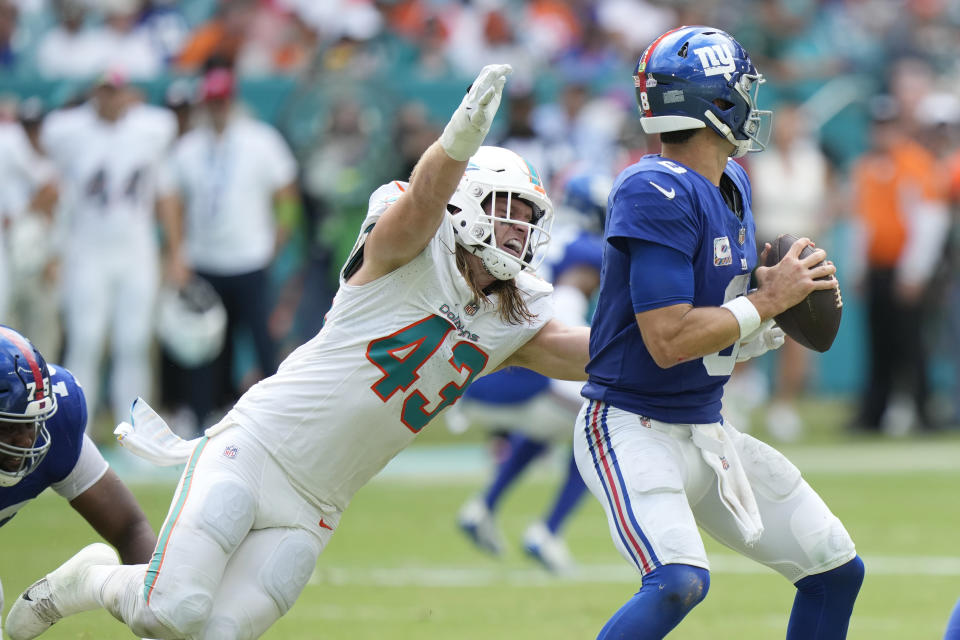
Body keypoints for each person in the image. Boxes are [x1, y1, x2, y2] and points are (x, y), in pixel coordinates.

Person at [5, 63, 590, 640]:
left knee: (215, 634)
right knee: (170, 610)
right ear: (467, 204)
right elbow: (421, 205)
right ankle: (88, 579)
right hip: (258, 447)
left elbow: (599, 354)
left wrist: (678, 333)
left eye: (528, 216)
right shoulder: (411, 245)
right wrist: (460, 136)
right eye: (505, 208)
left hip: (319, 506)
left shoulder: (512, 317)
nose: (518, 228)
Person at [575, 26, 864, 639]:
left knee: (835, 568)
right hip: (631, 424)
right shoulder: (653, 187)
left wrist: (768, 318)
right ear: (714, 101)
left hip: (706, 425)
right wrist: (767, 299)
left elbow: (722, 323)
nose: (749, 102)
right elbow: (668, 338)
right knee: (678, 580)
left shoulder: (731, 181)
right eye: (740, 89)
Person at [454, 172, 608, 573]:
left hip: (478, 377)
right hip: (523, 375)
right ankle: (549, 531)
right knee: (597, 426)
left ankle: (482, 507)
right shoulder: (589, 252)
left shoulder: (534, 239)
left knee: (555, 424)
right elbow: (573, 303)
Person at [40, 72, 186, 433]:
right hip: (87, 250)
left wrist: (176, 251)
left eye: (118, 91)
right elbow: (56, 193)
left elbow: (166, 195)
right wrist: (54, 250)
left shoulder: (149, 132)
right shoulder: (71, 133)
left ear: (129, 95)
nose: (112, 99)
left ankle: (134, 431)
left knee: (133, 341)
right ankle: (76, 431)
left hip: (135, 249)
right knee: (86, 339)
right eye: (106, 91)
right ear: (94, 93)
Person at [166, 66, 301, 434]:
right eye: (211, 102)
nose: (217, 109)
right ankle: (203, 417)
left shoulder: (260, 140)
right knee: (205, 349)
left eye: (222, 101)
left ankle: (277, 421)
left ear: (233, 101)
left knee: (262, 343)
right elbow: (172, 199)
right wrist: (177, 251)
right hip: (206, 262)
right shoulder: (191, 147)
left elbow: (286, 192)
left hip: (250, 259)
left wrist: (278, 239)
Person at [0, 326, 156, 629]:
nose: (25, 440)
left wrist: (161, 614)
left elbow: (129, 527)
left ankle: (74, 590)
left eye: (32, 423)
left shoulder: (57, 425)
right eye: (9, 427)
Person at [849, 94, 949, 434]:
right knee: (878, 343)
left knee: (911, 343)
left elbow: (929, 221)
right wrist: (858, 267)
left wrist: (914, 271)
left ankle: (922, 410)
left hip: (904, 268)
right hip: (877, 267)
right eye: (878, 126)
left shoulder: (915, 163)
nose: (882, 132)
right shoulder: (866, 166)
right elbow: (862, 222)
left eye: (888, 125)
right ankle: (873, 414)